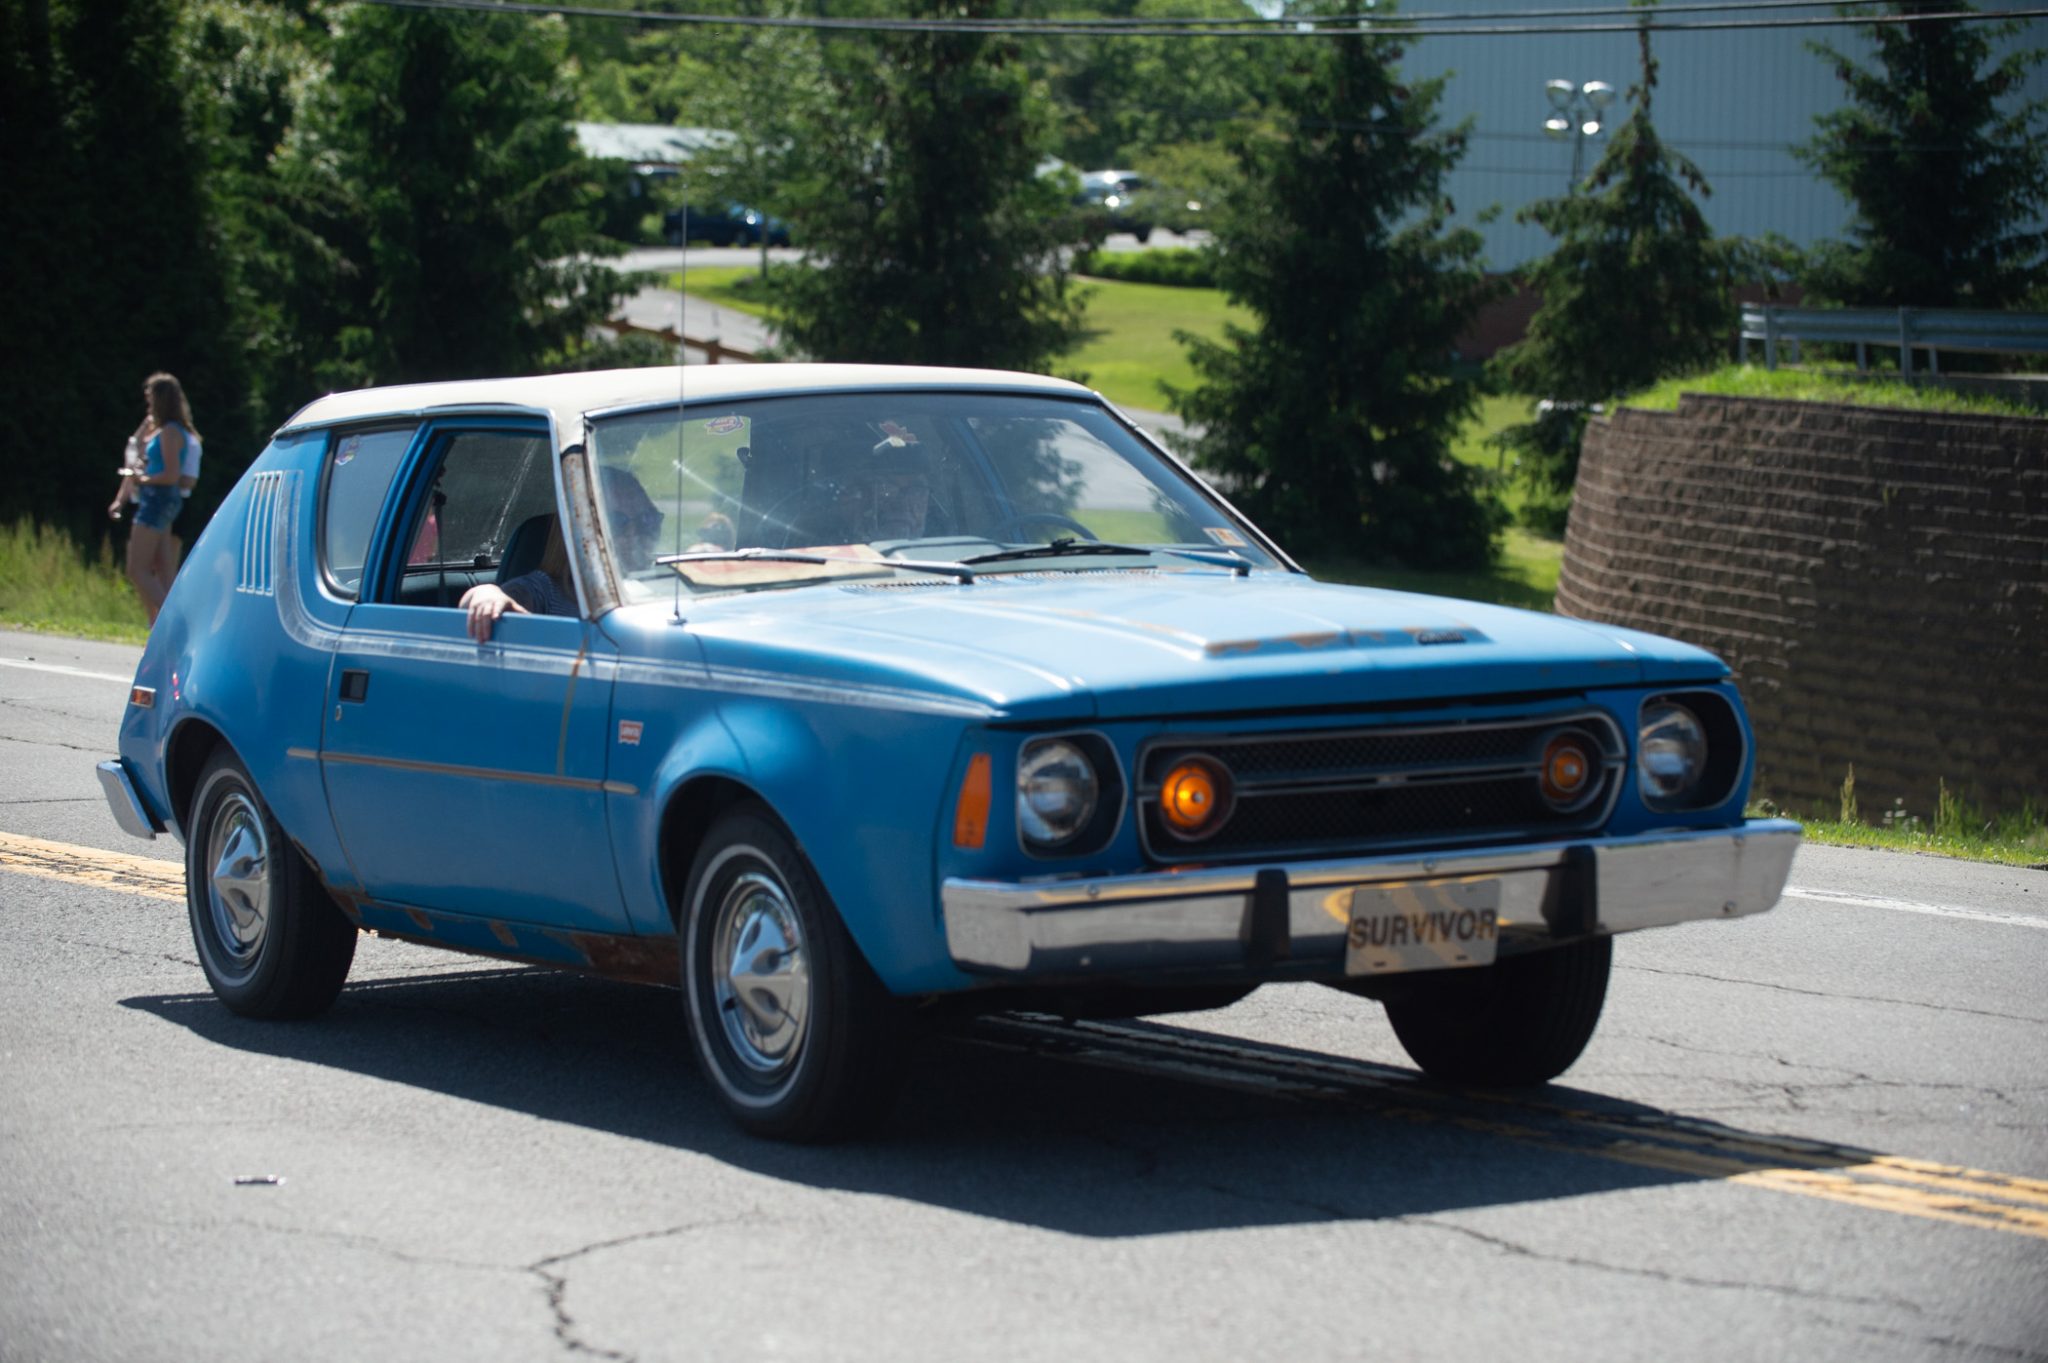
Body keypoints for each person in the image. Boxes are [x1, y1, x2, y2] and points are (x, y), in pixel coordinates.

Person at [457, 467, 664, 642]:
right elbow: (507, 596)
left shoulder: (665, 582)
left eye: (648, 519)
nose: (635, 533)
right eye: (616, 522)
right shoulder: (549, 591)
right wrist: (487, 595)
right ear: (576, 532)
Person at [111, 373, 202, 626]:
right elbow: (137, 444)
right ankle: (165, 627)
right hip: (161, 500)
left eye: (151, 398)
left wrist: (142, 479)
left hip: (158, 500)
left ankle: (173, 622)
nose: (148, 403)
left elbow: (171, 475)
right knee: (163, 569)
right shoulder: (166, 429)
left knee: (136, 568)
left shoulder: (171, 432)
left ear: (161, 399)